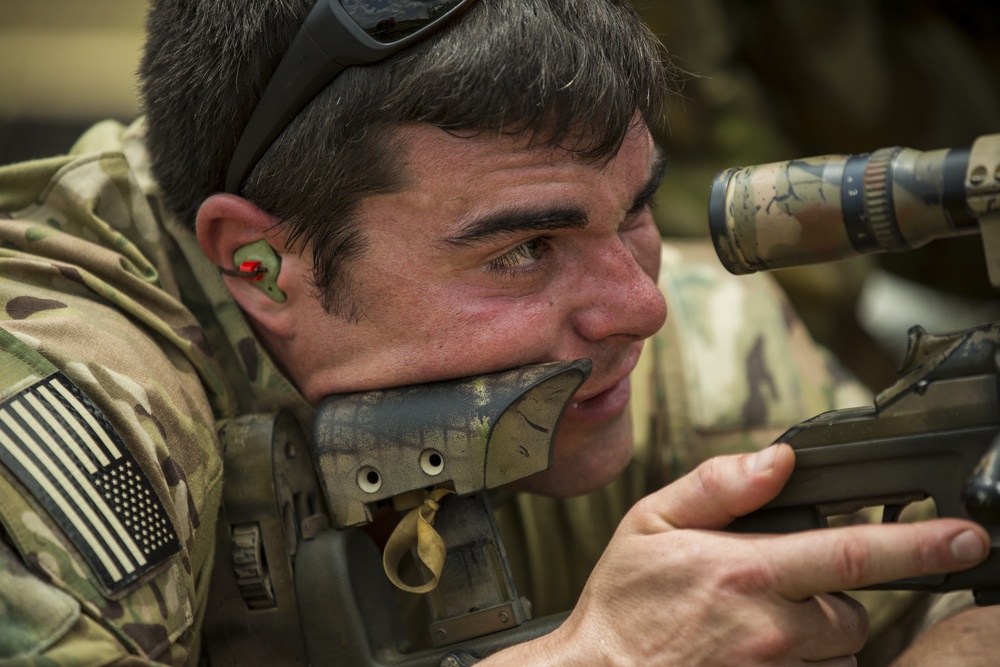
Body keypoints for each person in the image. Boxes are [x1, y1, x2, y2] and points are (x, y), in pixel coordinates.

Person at [0, 0, 995, 664]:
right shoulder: (56, 424)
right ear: (260, 263)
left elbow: (908, 588)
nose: (639, 304)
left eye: (636, 210)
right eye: (524, 248)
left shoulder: (701, 350)